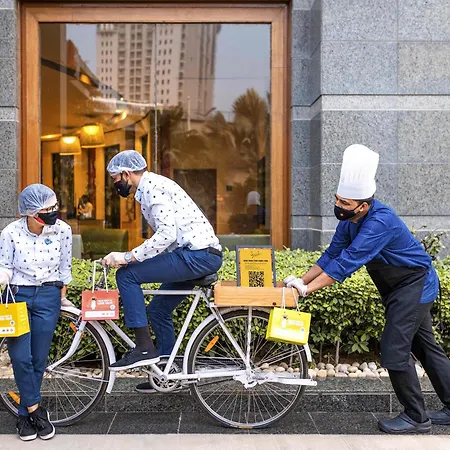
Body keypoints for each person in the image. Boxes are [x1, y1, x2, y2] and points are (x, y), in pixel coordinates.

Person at [285, 144, 450, 434]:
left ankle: (416, 417)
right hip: (398, 288)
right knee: (425, 347)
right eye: (337, 199)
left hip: (416, 285)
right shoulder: (350, 221)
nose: (338, 206)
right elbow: (332, 254)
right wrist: (300, 281)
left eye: (345, 203)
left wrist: (306, 291)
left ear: (363, 205)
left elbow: (346, 263)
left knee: (394, 349)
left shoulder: (380, 222)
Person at [101, 150, 222, 388]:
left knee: (127, 275)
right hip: (196, 255)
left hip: (196, 255)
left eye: (115, 179)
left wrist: (128, 257)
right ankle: (166, 372)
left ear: (126, 174)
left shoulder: (153, 188)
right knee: (157, 311)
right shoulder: (150, 187)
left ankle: (144, 348)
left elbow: (167, 234)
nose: (115, 185)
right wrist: (134, 258)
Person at [0, 184, 72, 441]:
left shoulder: (63, 230)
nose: (53, 212)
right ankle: (36, 412)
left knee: (39, 359)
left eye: (54, 207)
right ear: (30, 213)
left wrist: (62, 298)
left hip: (48, 296)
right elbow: (5, 266)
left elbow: (65, 268)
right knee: (21, 358)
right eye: (46, 209)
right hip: (17, 297)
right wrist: (2, 278)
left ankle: (24, 416)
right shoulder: (10, 232)